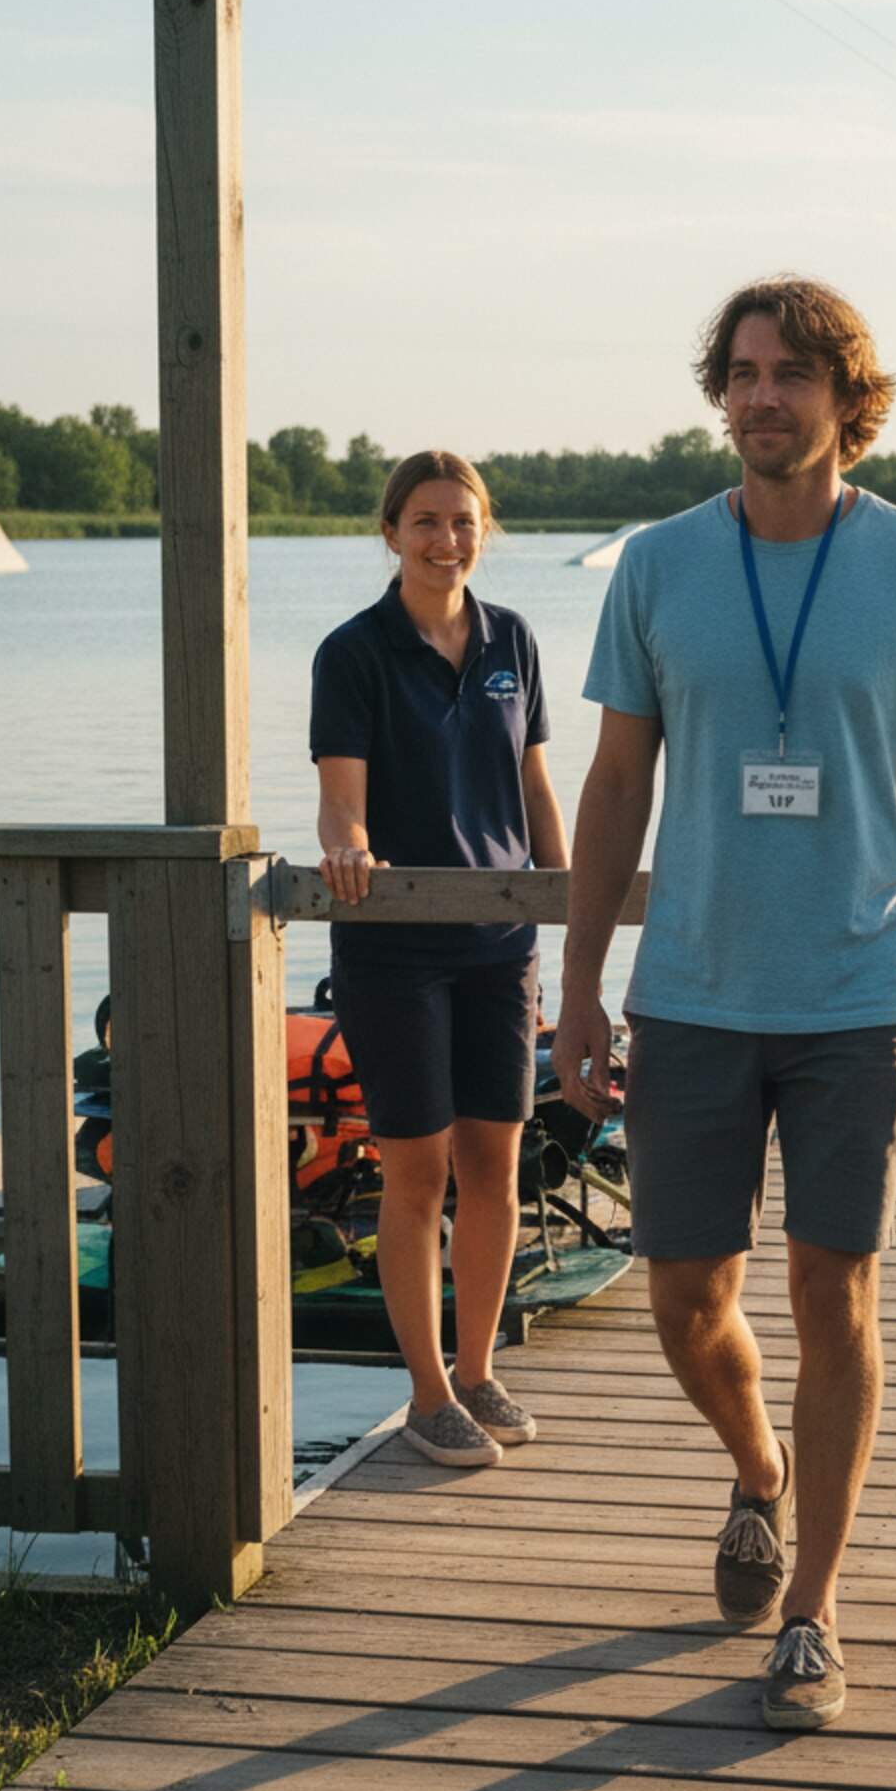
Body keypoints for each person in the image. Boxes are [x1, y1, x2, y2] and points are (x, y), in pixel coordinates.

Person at [553, 275, 896, 1731]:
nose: (763, 395)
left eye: (794, 373)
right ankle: (760, 1468)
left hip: (855, 988)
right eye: (744, 372)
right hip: (690, 987)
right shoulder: (658, 564)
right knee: (685, 1300)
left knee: (832, 1292)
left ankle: (811, 1610)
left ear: (846, 400)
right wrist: (578, 984)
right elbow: (614, 782)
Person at [311, 449, 569, 1467]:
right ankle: (426, 1394)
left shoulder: (514, 639)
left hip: (502, 946)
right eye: (424, 521)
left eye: (463, 521)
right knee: (416, 1172)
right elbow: (341, 798)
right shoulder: (353, 651)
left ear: (482, 530)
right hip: (395, 948)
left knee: (495, 1168)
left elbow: (534, 785)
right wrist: (347, 847)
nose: (445, 539)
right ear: (390, 532)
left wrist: (568, 892)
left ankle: (478, 1369)